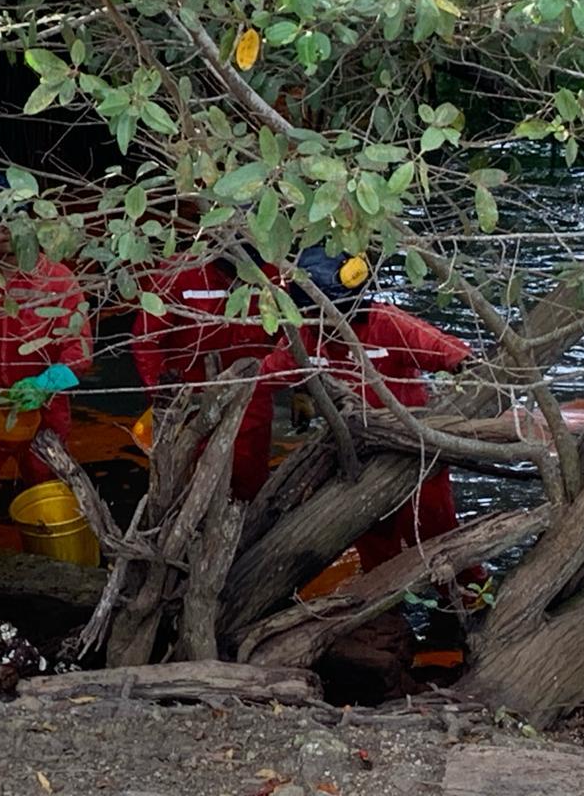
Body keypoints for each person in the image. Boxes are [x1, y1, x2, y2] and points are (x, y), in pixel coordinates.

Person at [256, 248, 485, 585]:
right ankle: (386, 604)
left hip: (413, 451)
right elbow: (265, 378)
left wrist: (470, 373)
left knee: (437, 532)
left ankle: (468, 595)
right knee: (373, 540)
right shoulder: (303, 338)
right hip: (357, 455)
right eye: (313, 316)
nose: (323, 325)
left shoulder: (387, 324)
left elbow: (445, 350)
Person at [0, 172, 93, 536]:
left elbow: (81, 350)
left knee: (49, 509)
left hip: (44, 417)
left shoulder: (57, 279)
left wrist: (45, 384)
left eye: (15, 214)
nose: (6, 226)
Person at [131, 250, 279, 501]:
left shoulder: (272, 273)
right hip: (191, 403)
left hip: (251, 400)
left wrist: (299, 390)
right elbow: (145, 341)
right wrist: (165, 398)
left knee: (250, 486)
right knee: (189, 488)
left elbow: (290, 336)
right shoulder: (180, 272)